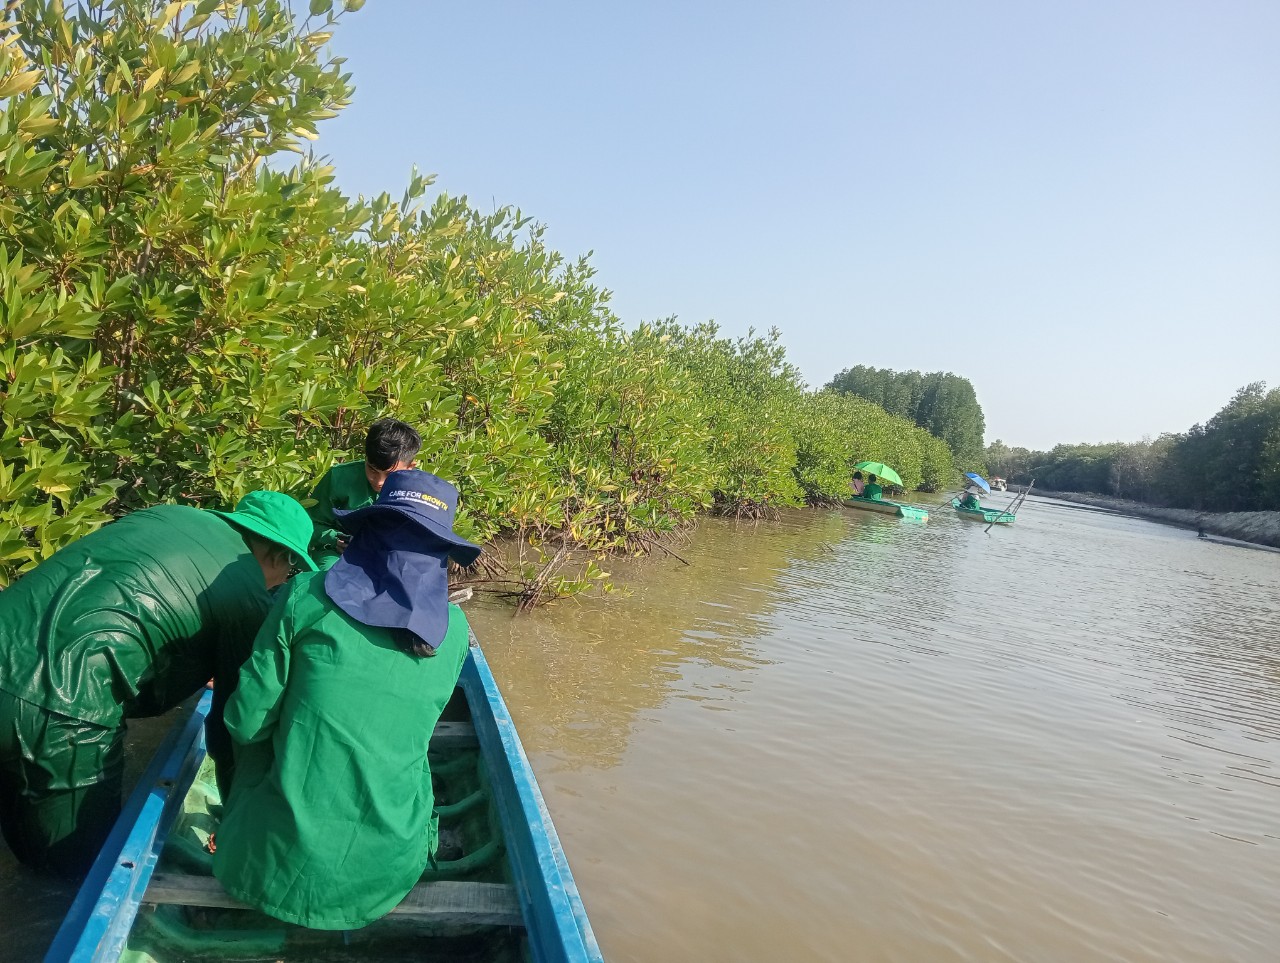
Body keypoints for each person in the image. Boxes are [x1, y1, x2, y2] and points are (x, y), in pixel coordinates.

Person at [213, 470, 482, 929]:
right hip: (387, 868)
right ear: (440, 556)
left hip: (269, 864)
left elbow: (244, 723)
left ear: (364, 535)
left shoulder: (304, 597)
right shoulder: (455, 632)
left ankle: (261, 837)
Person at [0, 491, 315, 876]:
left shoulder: (168, 515)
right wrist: (237, 813)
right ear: (280, 556)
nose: (284, 580)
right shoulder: (249, 590)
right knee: (75, 869)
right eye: (291, 570)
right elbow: (234, 726)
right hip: (59, 703)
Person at [307, 418, 422, 569]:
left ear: (410, 467)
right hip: (339, 554)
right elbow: (311, 524)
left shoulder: (421, 489)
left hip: (392, 557)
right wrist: (335, 539)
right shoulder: (339, 477)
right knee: (329, 579)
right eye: (372, 470)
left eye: (389, 474)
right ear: (366, 457)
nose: (379, 481)